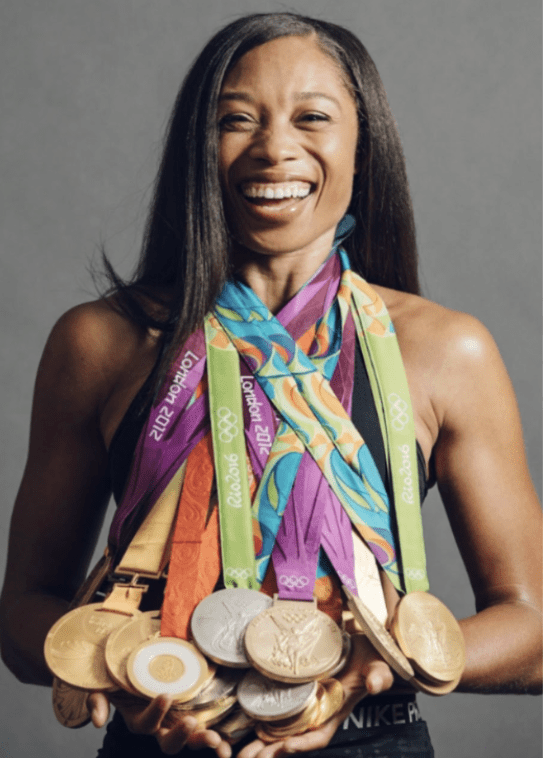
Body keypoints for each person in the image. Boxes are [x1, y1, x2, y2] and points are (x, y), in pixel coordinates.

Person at [0, 11, 541, 758]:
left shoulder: (445, 351)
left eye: (312, 117)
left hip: (370, 739)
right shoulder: (101, 342)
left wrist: (379, 666)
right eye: (236, 120)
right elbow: (21, 616)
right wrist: (111, 669)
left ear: (363, 147)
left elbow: (533, 633)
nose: (274, 148)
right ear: (199, 149)